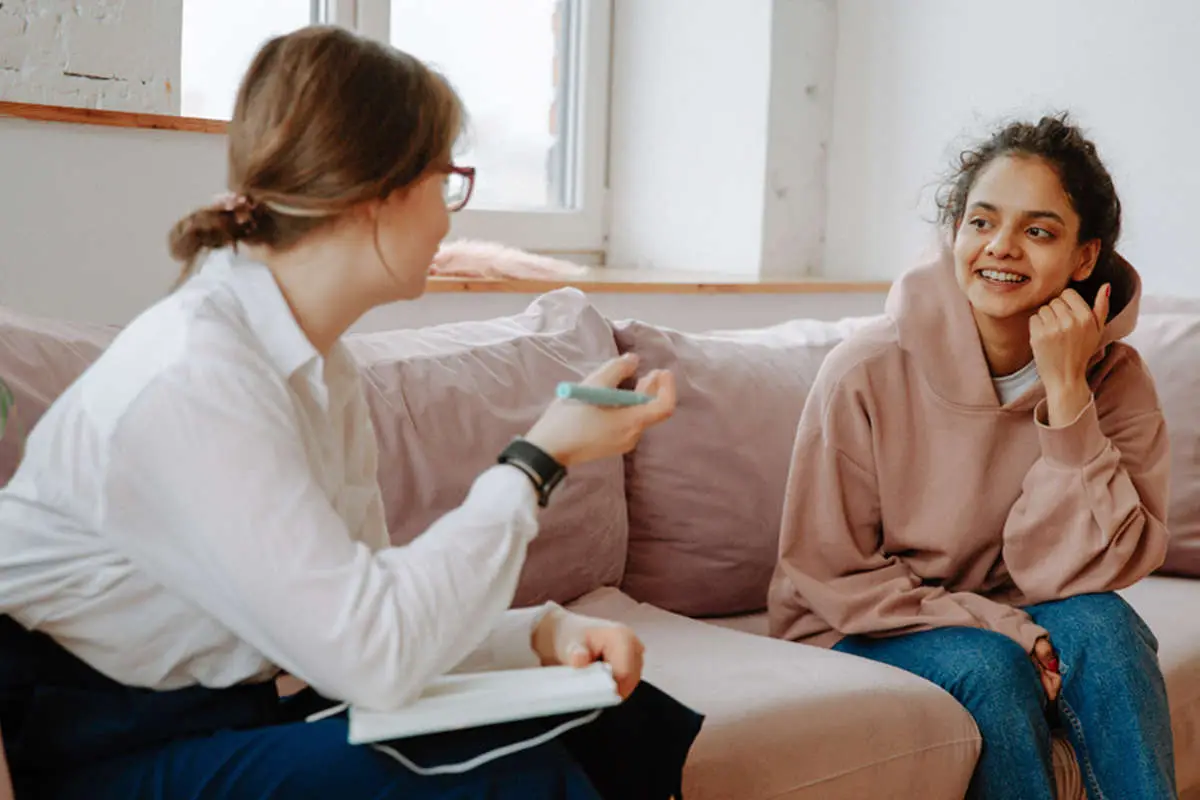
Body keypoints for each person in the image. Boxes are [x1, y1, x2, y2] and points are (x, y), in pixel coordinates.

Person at [0, 26, 700, 800]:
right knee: (509, 780)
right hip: (101, 747)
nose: (449, 216)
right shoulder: (197, 375)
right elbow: (373, 654)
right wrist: (536, 463)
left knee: (621, 720)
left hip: (240, 711)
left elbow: (363, 605)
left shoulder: (318, 364)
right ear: (379, 194)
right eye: (447, 181)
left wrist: (536, 634)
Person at [768, 114, 1176, 799]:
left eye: (1038, 231)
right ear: (953, 231)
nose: (1002, 248)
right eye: (982, 222)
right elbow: (829, 573)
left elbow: (1104, 568)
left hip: (1018, 607)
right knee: (991, 667)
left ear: (1083, 257)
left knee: (1104, 625)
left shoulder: (1116, 379)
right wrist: (1001, 623)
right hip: (857, 624)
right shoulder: (863, 370)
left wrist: (1068, 396)